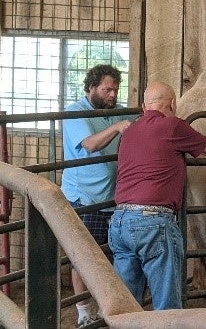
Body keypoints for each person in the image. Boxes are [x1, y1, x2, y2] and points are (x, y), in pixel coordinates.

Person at [108, 81, 206, 310]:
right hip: (153, 222)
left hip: (119, 223)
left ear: (144, 107)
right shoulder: (173, 127)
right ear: (173, 104)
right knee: (167, 308)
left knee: (127, 306)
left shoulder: (130, 131)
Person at [61, 64, 134, 327]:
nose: (112, 94)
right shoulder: (74, 113)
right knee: (82, 257)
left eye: (115, 89)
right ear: (91, 87)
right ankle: (83, 313)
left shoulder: (114, 112)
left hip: (114, 199)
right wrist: (117, 128)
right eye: (107, 89)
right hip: (85, 198)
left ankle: (109, 309)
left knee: (115, 255)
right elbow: (90, 145)